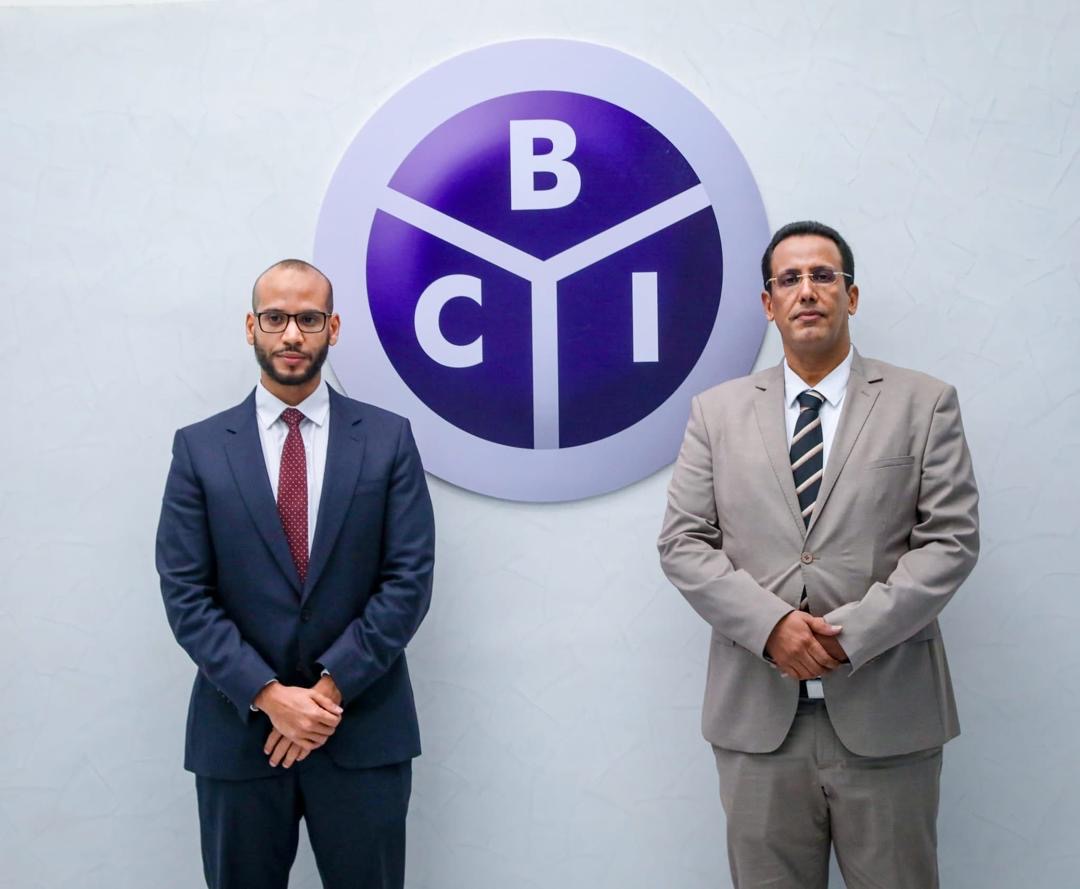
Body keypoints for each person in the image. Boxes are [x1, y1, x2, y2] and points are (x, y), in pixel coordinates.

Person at [657, 221, 979, 888]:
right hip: (757, 721)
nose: (807, 290)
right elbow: (682, 542)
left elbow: (950, 541)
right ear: (768, 303)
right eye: (790, 279)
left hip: (890, 713)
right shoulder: (715, 413)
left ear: (851, 296)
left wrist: (850, 636)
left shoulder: (924, 404)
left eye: (823, 276)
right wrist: (771, 626)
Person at [156, 259, 435, 889]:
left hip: (362, 731)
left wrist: (325, 696)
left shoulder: (388, 440)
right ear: (250, 327)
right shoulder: (199, 449)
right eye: (275, 318)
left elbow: (408, 580)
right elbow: (186, 593)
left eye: (308, 319)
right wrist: (269, 696)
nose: (290, 334)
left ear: (332, 328)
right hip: (240, 735)